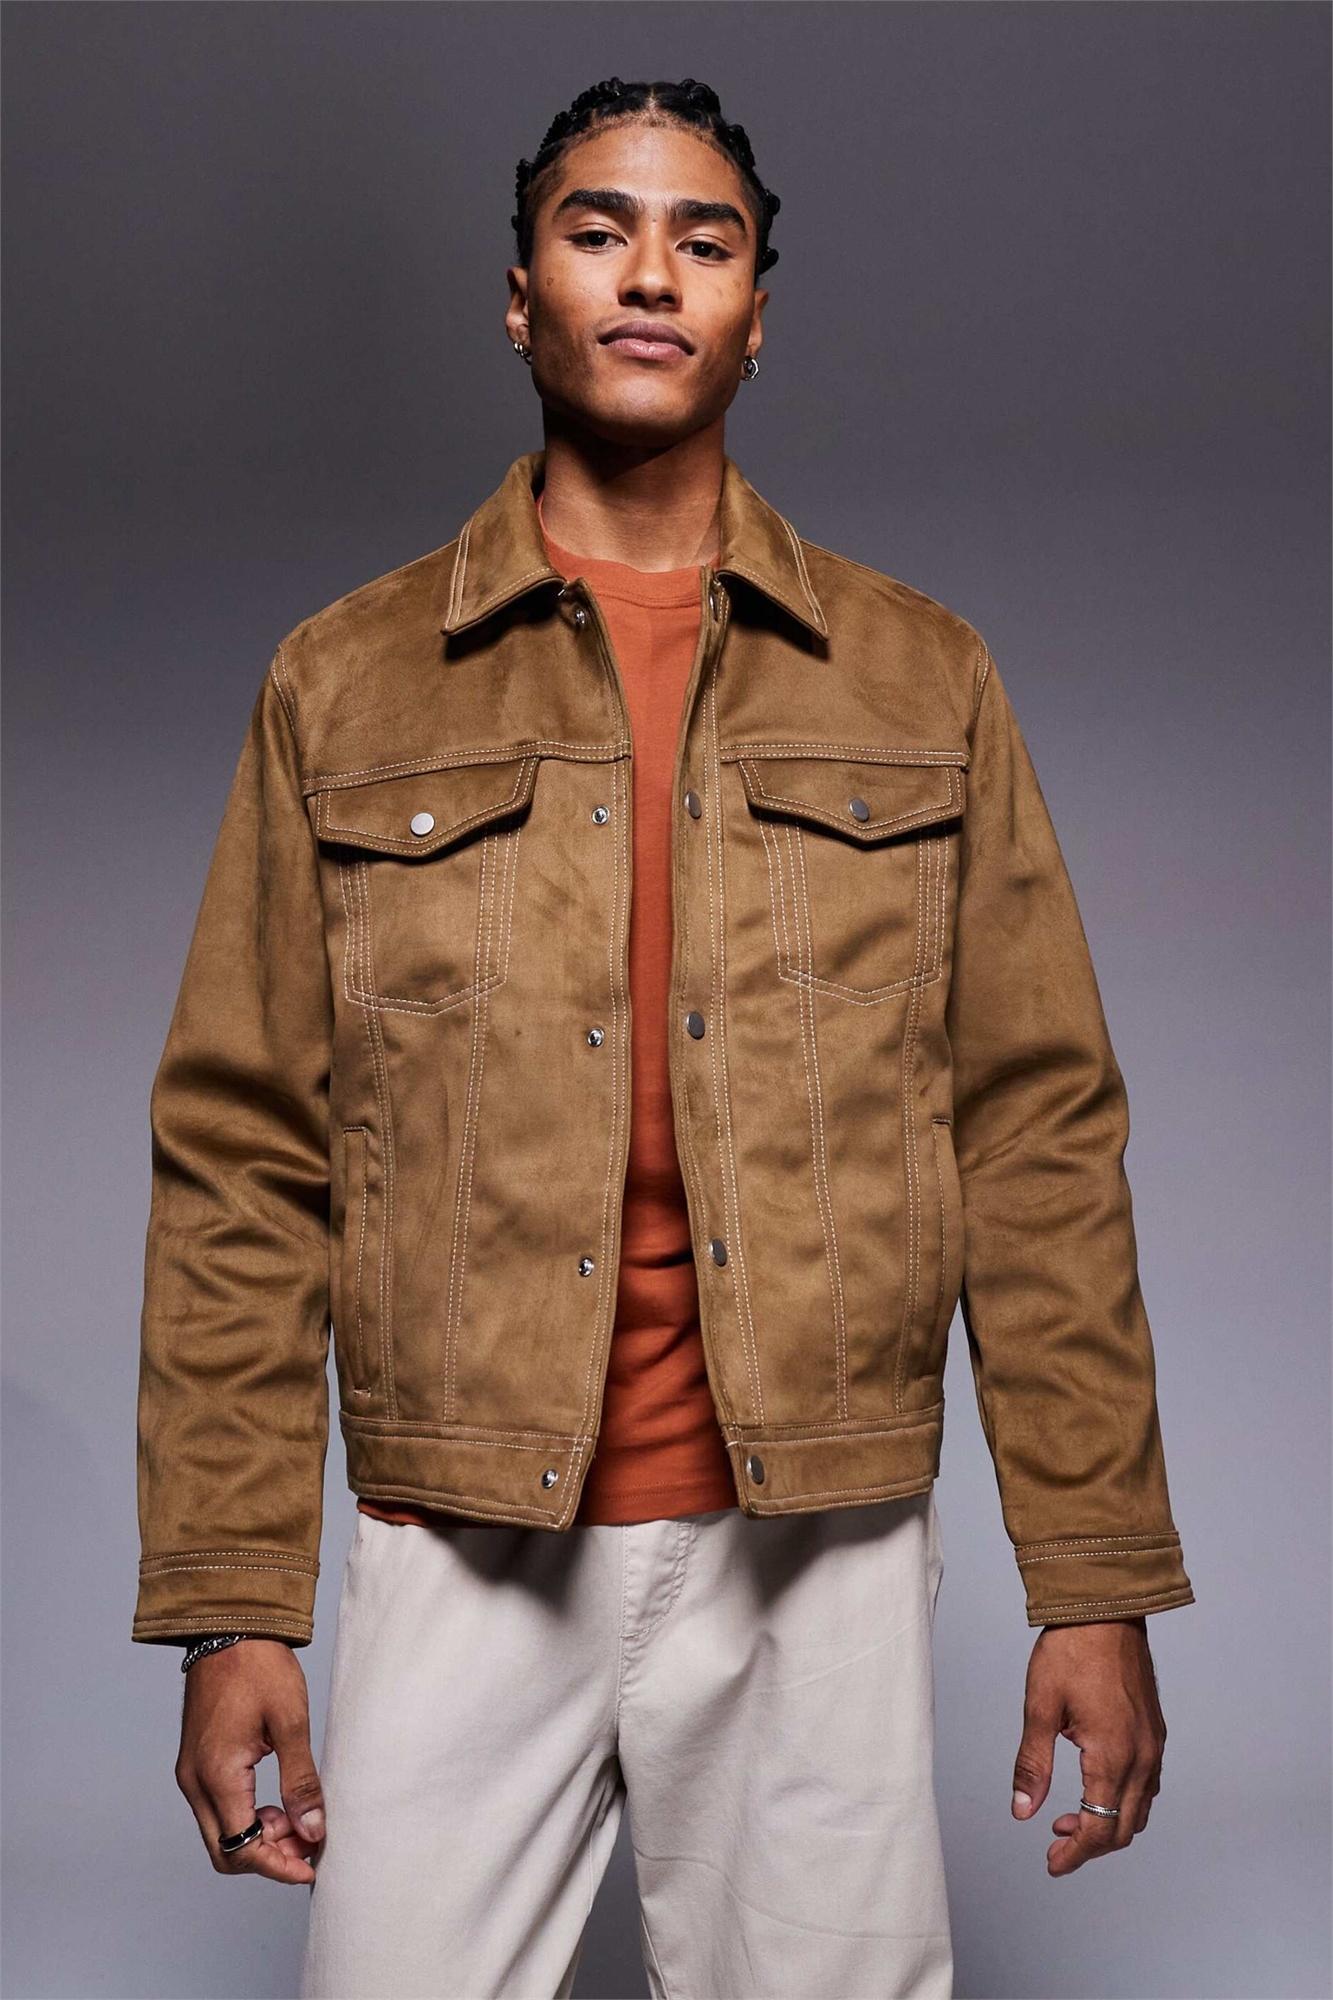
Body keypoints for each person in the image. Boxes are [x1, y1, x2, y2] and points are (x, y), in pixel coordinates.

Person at [132, 75, 1195, 2000]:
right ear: (519, 297)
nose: (648, 274)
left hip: (819, 1546)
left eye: (702, 241)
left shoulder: (919, 678)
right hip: (457, 1531)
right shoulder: (343, 682)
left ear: (755, 314)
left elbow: (1036, 1135)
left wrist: (1095, 1579)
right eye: (597, 230)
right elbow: (242, 1156)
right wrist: (230, 1609)